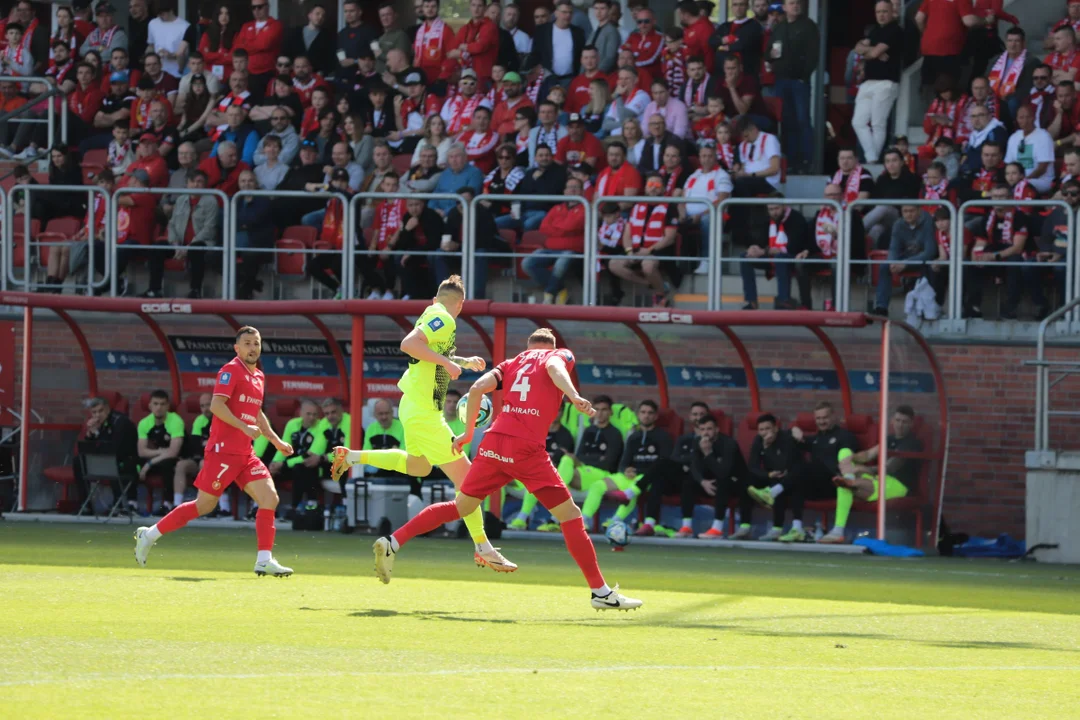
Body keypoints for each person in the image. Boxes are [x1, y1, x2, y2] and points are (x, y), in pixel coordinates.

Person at [371, 327, 643, 611]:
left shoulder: (511, 363)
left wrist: (466, 434)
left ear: (528, 346)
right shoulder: (556, 355)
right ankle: (600, 592)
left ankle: (393, 541)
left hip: (494, 443)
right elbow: (553, 366)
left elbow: (476, 388)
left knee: (461, 506)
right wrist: (573, 395)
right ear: (551, 346)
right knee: (570, 516)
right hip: (526, 449)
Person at [329, 276, 514, 572]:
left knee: (419, 466)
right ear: (461, 304)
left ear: (435, 297)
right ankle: (483, 547)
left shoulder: (431, 312)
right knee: (469, 481)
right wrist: (449, 364)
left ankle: (351, 456)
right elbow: (409, 344)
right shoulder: (444, 317)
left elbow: (426, 352)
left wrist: (462, 361)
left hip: (414, 406)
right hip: (425, 412)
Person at [134, 327, 295, 576]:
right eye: (247, 343)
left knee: (269, 499)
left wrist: (275, 441)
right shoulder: (231, 370)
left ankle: (264, 559)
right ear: (237, 348)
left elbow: (257, 413)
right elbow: (216, 405)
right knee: (204, 505)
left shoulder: (259, 376)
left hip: (245, 454)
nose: (253, 348)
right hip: (222, 452)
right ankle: (149, 534)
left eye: (257, 343)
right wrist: (243, 426)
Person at [820, 406, 922, 544]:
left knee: (847, 485)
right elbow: (868, 454)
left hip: (899, 485)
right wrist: (851, 458)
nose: (900, 425)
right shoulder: (889, 439)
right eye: (898, 420)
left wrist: (863, 470)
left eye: (904, 422)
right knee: (844, 455)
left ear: (911, 424)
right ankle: (838, 531)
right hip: (880, 479)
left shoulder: (912, 443)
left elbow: (890, 467)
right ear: (892, 421)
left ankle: (838, 528)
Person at [609, 172, 678, 305]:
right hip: (635, 250)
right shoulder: (636, 206)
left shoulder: (670, 207)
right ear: (645, 187)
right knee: (614, 264)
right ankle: (651, 283)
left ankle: (660, 295)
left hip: (657, 250)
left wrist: (649, 250)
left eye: (657, 185)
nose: (653, 188)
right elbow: (627, 234)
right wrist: (629, 252)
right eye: (650, 184)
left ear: (663, 188)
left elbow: (669, 238)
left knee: (648, 266)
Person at [769, 0, 819, 171]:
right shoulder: (779, 27)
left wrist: (803, 77)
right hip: (781, 81)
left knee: (802, 120)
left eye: (798, 3)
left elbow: (814, 54)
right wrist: (773, 61)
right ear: (784, 7)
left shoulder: (808, 26)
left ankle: (806, 162)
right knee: (788, 122)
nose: (795, 6)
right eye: (791, 3)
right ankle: (790, 162)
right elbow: (769, 51)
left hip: (799, 82)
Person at [852, 1, 902, 164]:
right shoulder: (874, 30)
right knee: (858, 122)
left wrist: (871, 51)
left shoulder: (895, 30)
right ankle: (872, 157)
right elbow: (858, 48)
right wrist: (871, 51)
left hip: (886, 82)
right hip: (868, 82)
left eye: (884, 11)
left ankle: (872, 161)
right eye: (878, 12)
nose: (881, 15)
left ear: (891, 12)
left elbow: (872, 52)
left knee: (877, 124)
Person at [741, 202, 812, 309]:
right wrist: (754, 248)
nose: (774, 212)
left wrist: (765, 251)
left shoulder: (796, 218)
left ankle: (784, 300)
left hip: (794, 256)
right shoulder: (768, 219)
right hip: (773, 256)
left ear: (784, 206)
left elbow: (793, 247)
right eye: (770, 209)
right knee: (744, 256)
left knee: (780, 258)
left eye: (776, 208)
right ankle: (751, 301)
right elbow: (761, 241)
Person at [165, 169, 220, 298]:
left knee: (196, 250)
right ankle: (154, 289)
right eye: (192, 181)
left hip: (202, 243)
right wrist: (175, 244)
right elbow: (171, 224)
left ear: (205, 185)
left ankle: (195, 290)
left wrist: (188, 247)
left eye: (199, 182)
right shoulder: (181, 200)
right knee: (157, 248)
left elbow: (209, 228)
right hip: (179, 244)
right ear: (187, 183)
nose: (195, 185)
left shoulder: (211, 201)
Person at [873, 205, 936, 316]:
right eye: (905, 211)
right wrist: (892, 262)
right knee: (884, 267)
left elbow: (929, 252)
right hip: (905, 258)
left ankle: (926, 308)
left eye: (911, 210)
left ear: (919, 211)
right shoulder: (898, 224)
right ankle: (881, 307)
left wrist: (906, 263)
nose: (908, 214)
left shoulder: (928, 223)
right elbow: (894, 248)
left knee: (931, 267)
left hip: (924, 260)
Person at [137, 389, 186, 515]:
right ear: (150, 406)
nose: (159, 407)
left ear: (168, 406)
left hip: (176, 459)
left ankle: (167, 504)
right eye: (155, 404)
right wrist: (160, 452)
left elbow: (173, 452)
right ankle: (131, 503)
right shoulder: (144, 423)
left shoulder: (176, 420)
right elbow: (142, 452)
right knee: (132, 462)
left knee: (168, 463)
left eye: (162, 404)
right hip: (157, 457)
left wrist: (150, 463)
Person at [528, 0, 585, 94]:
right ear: (556, 13)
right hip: (548, 78)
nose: (567, 15)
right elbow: (535, 54)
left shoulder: (578, 33)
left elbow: (580, 55)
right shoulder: (543, 30)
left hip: (570, 79)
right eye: (564, 12)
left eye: (570, 12)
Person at [1004, 104, 1055, 194]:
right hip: (1017, 180)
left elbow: (1042, 168)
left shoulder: (1043, 136)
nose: (1025, 121)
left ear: (1034, 118)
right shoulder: (1014, 137)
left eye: (1028, 117)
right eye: (1021, 117)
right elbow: (1009, 164)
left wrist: (1024, 180)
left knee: (1022, 186)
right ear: (1017, 120)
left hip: (1041, 181)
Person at [282, 2, 336, 78]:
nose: (320, 17)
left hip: (315, 77)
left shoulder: (327, 37)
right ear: (310, 15)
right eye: (317, 14)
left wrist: (323, 72)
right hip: (294, 76)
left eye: (323, 16)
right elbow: (286, 51)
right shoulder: (295, 33)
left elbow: (330, 59)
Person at [588, 0, 620, 73]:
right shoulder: (595, 31)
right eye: (596, 8)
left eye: (602, 8)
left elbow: (610, 58)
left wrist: (596, 74)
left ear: (609, 10)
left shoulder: (612, 31)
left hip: (600, 77)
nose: (599, 12)